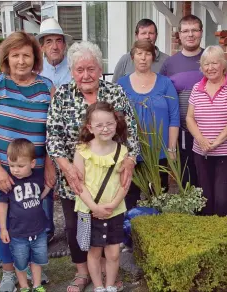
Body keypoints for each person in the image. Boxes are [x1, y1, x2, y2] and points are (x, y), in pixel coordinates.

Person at [46, 41, 140, 292]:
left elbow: (130, 132)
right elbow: (53, 137)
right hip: (75, 175)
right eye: (79, 69)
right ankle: (82, 273)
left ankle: (108, 274)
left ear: (100, 69)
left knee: (109, 225)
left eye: (91, 68)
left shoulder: (115, 93)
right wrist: (66, 168)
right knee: (77, 225)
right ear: (72, 71)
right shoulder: (63, 95)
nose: (85, 75)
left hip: (111, 175)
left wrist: (130, 160)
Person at [0, 31, 56, 292]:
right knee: (7, 220)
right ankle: (9, 271)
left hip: (37, 168)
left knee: (37, 219)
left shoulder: (46, 87)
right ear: (6, 58)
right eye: (15, 55)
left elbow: (53, 132)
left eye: (27, 55)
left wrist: (51, 167)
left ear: (35, 58)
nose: (21, 61)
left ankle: (35, 269)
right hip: (1, 169)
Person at [160, 15, 227, 189]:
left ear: (201, 32)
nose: (190, 34)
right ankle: (195, 214)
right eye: (186, 31)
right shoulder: (169, 63)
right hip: (183, 132)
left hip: (216, 136)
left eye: (194, 30)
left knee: (214, 184)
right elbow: (162, 96)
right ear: (179, 35)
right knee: (189, 179)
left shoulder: (214, 59)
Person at [73, 102, 129, 292]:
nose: (105, 129)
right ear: (90, 127)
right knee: (94, 251)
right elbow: (78, 184)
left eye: (109, 124)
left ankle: (110, 285)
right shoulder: (82, 150)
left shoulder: (122, 151)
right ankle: (98, 286)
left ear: (116, 123)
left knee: (113, 252)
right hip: (89, 210)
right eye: (99, 125)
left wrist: (113, 204)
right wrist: (94, 207)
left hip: (115, 210)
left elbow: (124, 183)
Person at [117, 40, 179, 210]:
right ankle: (130, 233)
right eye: (139, 53)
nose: (143, 58)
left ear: (153, 57)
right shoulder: (121, 85)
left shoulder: (165, 84)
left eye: (148, 54)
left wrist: (172, 149)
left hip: (159, 152)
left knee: (158, 198)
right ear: (132, 57)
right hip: (130, 153)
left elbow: (174, 118)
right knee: (130, 198)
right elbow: (115, 119)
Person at [186, 45, 227, 217]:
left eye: (214, 63)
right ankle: (207, 235)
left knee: (223, 198)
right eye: (206, 64)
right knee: (205, 197)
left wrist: (216, 142)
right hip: (201, 152)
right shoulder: (197, 88)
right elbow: (190, 118)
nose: (210, 68)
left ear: (223, 65)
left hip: (225, 153)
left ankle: (223, 236)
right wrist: (201, 140)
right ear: (202, 67)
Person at [36, 17, 73, 243]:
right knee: (45, 182)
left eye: (58, 41)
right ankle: (46, 229)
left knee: (72, 181)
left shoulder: (74, 66)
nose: (55, 46)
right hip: (41, 134)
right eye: (49, 41)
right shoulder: (35, 69)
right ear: (42, 46)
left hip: (71, 136)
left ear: (64, 44)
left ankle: (74, 228)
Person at [0, 139, 51, 292]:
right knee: (20, 263)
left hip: (39, 231)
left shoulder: (37, 177)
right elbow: (2, 206)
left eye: (20, 166)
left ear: (32, 163)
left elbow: (40, 196)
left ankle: (37, 285)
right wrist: (3, 229)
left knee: (37, 260)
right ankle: (24, 287)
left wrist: (48, 187)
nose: (15, 170)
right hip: (18, 233)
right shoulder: (8, 182)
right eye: (12, 165)